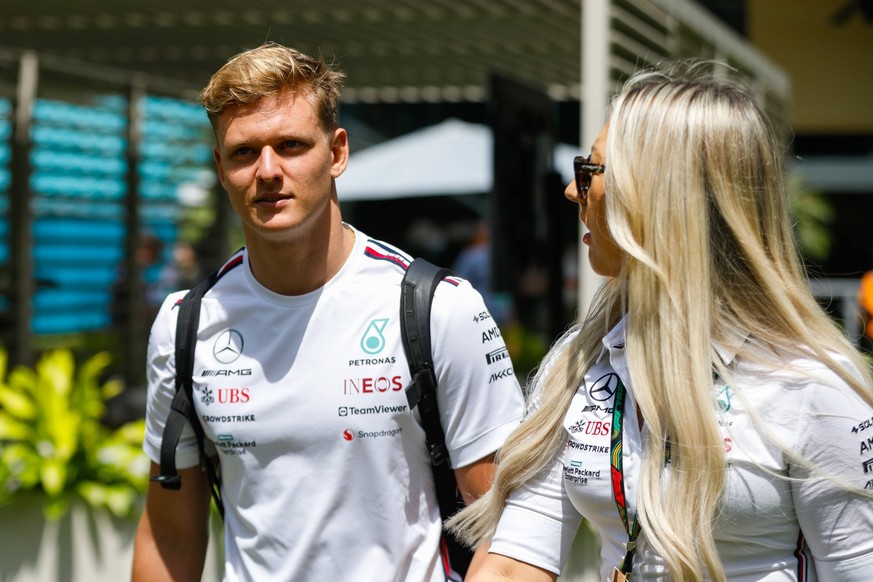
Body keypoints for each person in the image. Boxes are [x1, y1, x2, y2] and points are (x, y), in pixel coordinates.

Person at [449, 63, 873, 581]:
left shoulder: (814, 387)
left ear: (660, 197)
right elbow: (512, 566)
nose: (570, 190)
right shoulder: (577, 362)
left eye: (592, 170)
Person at [132, 42, 524, 582]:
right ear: (220, 167)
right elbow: (170, 536)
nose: (268, 170)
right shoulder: (184, 325)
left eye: (290, 145)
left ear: (337, 152)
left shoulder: (438, 309)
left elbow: (506, 535)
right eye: (245, 152)